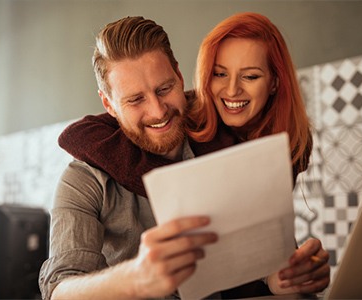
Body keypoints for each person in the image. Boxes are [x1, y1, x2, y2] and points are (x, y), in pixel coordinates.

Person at [41, 14, 329, 299]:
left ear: (179, 76)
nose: (157, 111)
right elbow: (60, 290)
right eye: (135, 100)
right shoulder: (82, 180)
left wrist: (281, 277)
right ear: (109, 105)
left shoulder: (221, 140)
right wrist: (135, 279)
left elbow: (259, 255)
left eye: (164, 89)